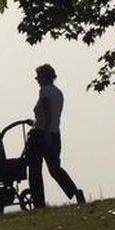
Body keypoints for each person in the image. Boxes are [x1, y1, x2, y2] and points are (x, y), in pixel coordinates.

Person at [26, 64, 85, 207]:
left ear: (44, 77)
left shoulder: (44, 91)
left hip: (41, 135)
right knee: (55, 169)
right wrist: (35, 122)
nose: (36, 79)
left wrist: (44, 133)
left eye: (38, 76)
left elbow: (47, 113)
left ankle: (39, 203)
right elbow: (51, 117)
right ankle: (75, 192)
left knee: (34, 170)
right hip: (55, 134)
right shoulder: (58, 92)